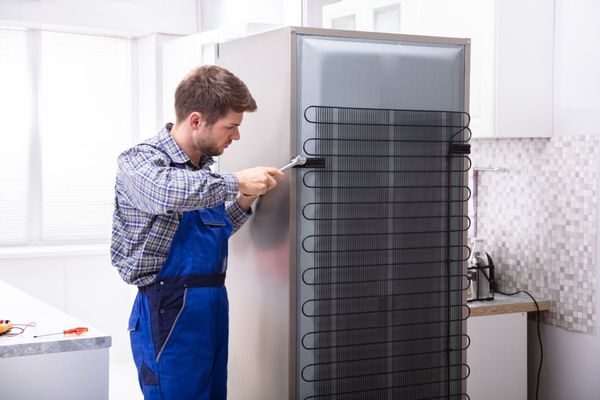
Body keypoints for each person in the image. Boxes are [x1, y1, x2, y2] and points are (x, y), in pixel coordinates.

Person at [111, 65, 284, 399]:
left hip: (212, 304)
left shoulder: (203, 175)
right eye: (230, 127)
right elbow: (164, 193)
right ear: (195, 120)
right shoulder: (140, 162)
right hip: (168, 307)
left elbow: (210, 234)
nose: (236, 136)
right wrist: (236, 181)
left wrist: (244, 200)